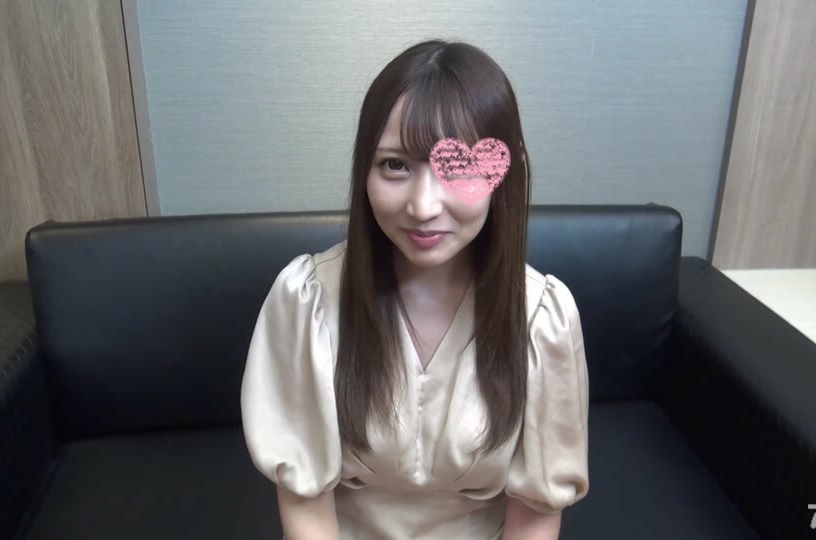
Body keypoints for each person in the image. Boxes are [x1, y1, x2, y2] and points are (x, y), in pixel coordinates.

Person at [240, 39, 589, 540]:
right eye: (395, 165)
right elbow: (305, 501)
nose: (423, 206)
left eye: (459, 168)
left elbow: (535, 511)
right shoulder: (307, 300)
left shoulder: (542, 318)